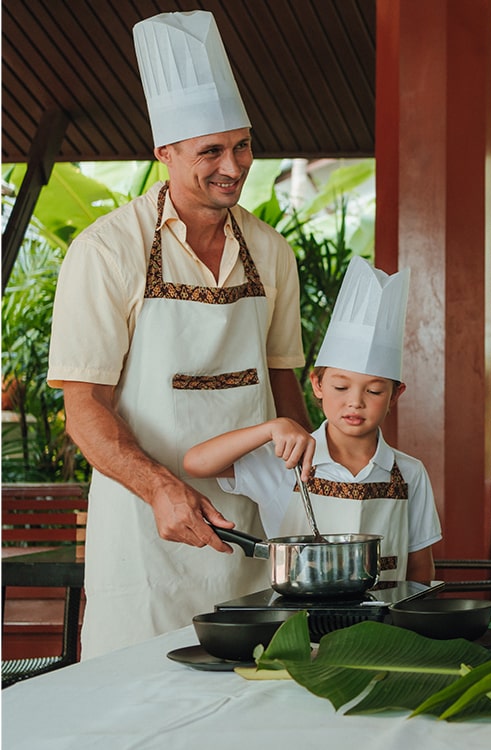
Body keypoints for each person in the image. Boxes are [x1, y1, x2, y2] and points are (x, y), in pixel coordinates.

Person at [46, 11, 309, 657]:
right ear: (164, 153)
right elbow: (84, 407)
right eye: (210, 152)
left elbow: (281, 381)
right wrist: (162, 489)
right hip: (146, 529)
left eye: (241, 146)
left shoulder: (271, 251)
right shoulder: (107, 250)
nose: (232, 166)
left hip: (250, 528)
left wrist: (307, 496)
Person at [183, 257, 439, 584]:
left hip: (383, 629)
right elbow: (196, 463)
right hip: (297, 625)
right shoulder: (285, 463)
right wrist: (270, 428)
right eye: (341, 387)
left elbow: (419, 567)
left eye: (374, 391)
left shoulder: (410, 474)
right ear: (317, 384)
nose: (355, 402)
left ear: (395, 395)